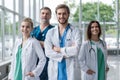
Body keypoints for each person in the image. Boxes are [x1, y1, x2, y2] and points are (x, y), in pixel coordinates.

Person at [45, 4, 81, 80]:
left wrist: (59, 50)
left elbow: (76, 50)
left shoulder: (75, 31)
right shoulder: (50, 32)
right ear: (56, 15)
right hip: (54, 70)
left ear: (68, 15)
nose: (62, 16)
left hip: (71, 69)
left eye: (64, 13)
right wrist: (66, 54)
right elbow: (48, 52)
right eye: (59, 14)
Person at [31, 7, 54, 80]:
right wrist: (44, 44)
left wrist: (37, 42)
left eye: (47, 14)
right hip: (33, 61)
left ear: (50, 16)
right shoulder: (33, 30)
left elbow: (54, 46)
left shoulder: (54, 30)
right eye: (43, 13)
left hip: (48, 61)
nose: (45, 15)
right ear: (40, 15)